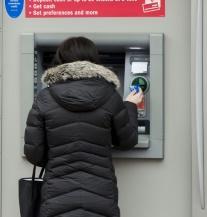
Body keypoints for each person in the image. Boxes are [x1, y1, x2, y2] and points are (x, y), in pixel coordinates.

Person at [24, 36, 143, 217]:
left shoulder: (44, 98)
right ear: (94, 59)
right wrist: (130, 105)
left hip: (57, 196)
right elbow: (127, 140)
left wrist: (59, 154)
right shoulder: (111, 95)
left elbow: (34, 153)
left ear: (60, 60)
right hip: (100, 195)